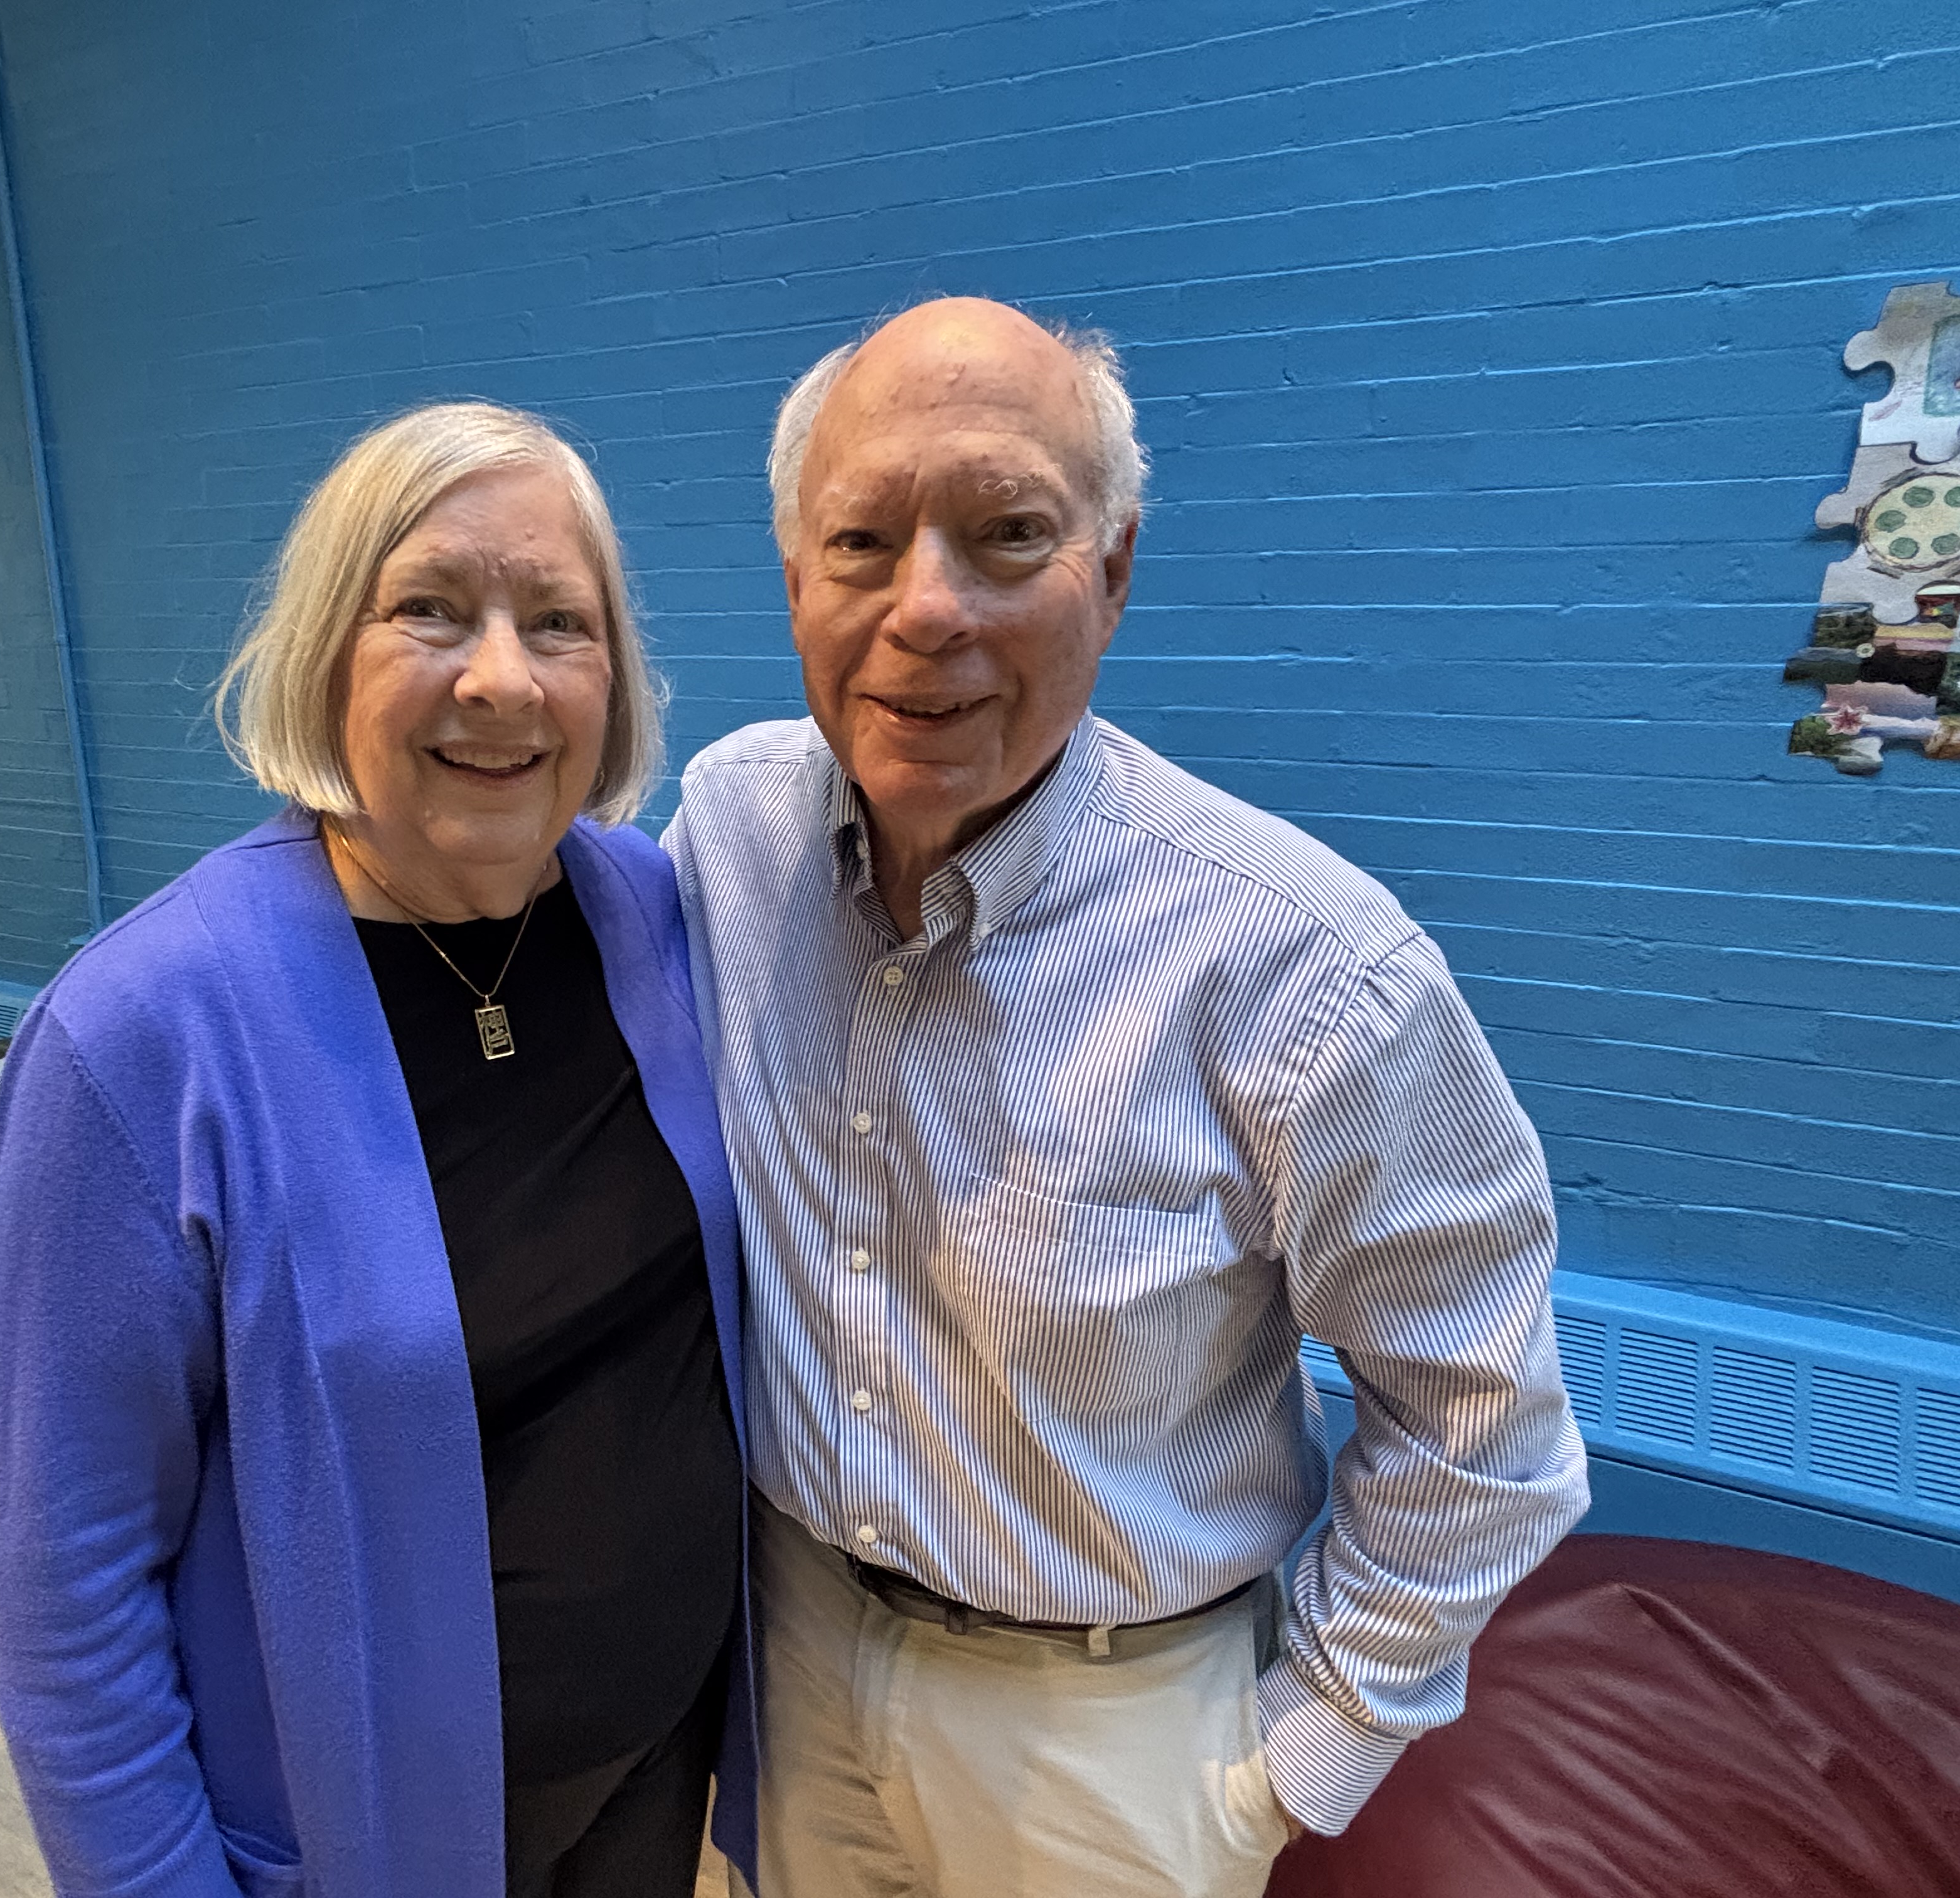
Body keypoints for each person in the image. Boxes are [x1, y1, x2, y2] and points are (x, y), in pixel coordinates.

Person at [668, 298, 1588, 1898]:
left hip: (1113, 1733)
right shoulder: (724, 832)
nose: (926, 608)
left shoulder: (1311, 968)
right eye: (863, 541)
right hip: (790, 1648)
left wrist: (1291, 1760)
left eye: (1009, 535)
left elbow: (1484, 1430)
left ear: (1114, 570)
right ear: (796, 578)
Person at [0, 402, 756, 1898]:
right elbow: (70, 1599)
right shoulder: (139, 1036)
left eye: (559, 621)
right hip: (370, 1844)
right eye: (432, 610)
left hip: (656, 1769)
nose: (503, 678)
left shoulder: (642, 915)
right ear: (327, 649)